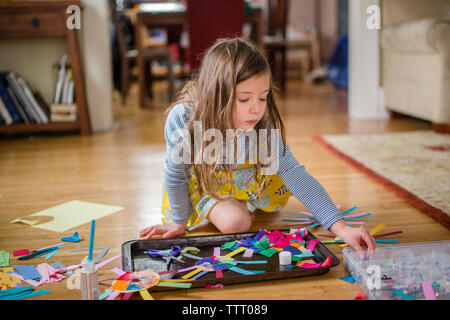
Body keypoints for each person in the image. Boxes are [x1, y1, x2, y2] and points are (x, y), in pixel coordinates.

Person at [140, 38, 375, 255]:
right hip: (205, 182)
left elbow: (295, 175)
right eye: (245, 99)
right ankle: (229, 203)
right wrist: (179, 222)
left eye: (263, 97)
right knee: (235, 223)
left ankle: (242, 198)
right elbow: (176, 174)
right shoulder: (184, 120)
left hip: (245, 179)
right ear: (216, 94)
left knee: (258, 197)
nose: (256, 109)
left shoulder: (262, 127)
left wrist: (342, 228)